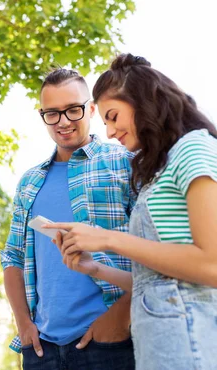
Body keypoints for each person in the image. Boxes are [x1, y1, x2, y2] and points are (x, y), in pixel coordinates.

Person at [51, 54, 217, 370]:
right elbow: (155, 280)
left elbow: (212, 265)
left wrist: (109, 239)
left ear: (143, 101)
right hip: (160, 348)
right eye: (106, 123)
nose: (111, 131)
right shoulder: (158, 171)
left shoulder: (194, 149)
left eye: (113, 116)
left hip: (192, 346)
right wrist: (93, 267)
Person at [0, 68, 136, 369]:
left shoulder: (124, 163)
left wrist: (117, 320)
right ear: (42, 115)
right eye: (52, 113)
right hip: (42, 349)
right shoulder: (30, 181)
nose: (63, 122)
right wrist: (23, 324)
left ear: (90, 108)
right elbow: (13, 257)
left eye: (73, 110)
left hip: (110, 343)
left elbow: (156, 250)